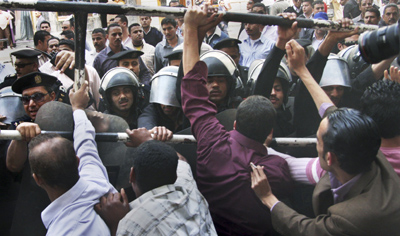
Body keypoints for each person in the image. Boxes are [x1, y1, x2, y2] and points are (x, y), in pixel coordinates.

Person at [251, 40, 400, 235]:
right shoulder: (364, 150)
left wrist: (268, 197)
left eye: (318, 140)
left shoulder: (352, 218)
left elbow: (303, 228)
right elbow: (331, 113)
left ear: (329, 158)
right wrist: (302, 70)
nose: (314, 141)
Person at [181, 6, 293, 235]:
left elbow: (193, 92)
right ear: (269, 133)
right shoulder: (276, 169)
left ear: (234, 124)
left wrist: (191, 28)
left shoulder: (213, 144)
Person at [28, 81, 116, 235]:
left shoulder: (62, 232)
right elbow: (86, 143)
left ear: (37, 179)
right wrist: (78, 108)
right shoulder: (96, 181)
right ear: (77, 161)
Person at [94, 137, 216, 236]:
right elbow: (181, 160)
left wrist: (116, 223)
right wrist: (148, 139)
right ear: (175, 177)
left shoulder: (131, 224)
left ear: (131, 175)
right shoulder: (189, 189)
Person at [6, 72, 60, 236]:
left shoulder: (66, 120)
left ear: (52, 96)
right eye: (25, 99)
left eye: (38, 97)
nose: (31, 104)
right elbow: (13, 166)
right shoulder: (18, 124)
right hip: (33, 204)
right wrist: (19, 137)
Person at [138, 66, 186, 135]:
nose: (167, 104)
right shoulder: (153, 109)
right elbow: (145, 120)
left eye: (172, 96)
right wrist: (152, 131)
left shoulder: (187, 110)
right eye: (164, 96)